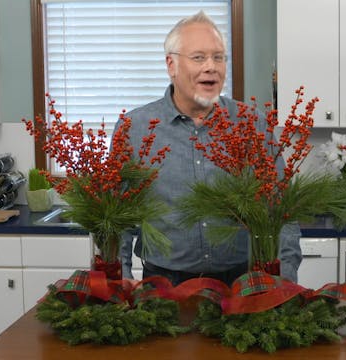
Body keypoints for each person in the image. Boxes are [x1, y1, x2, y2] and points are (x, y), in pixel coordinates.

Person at [117, 11, 302, 286]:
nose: (211, 67)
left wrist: (285, 277)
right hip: (164, 283)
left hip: (243, 281)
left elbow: (281, 208)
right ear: (172, 65)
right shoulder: (134, 129)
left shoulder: (252, 124)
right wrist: (119, 276)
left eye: (218, 57)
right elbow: (118, 215)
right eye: (198, 57)